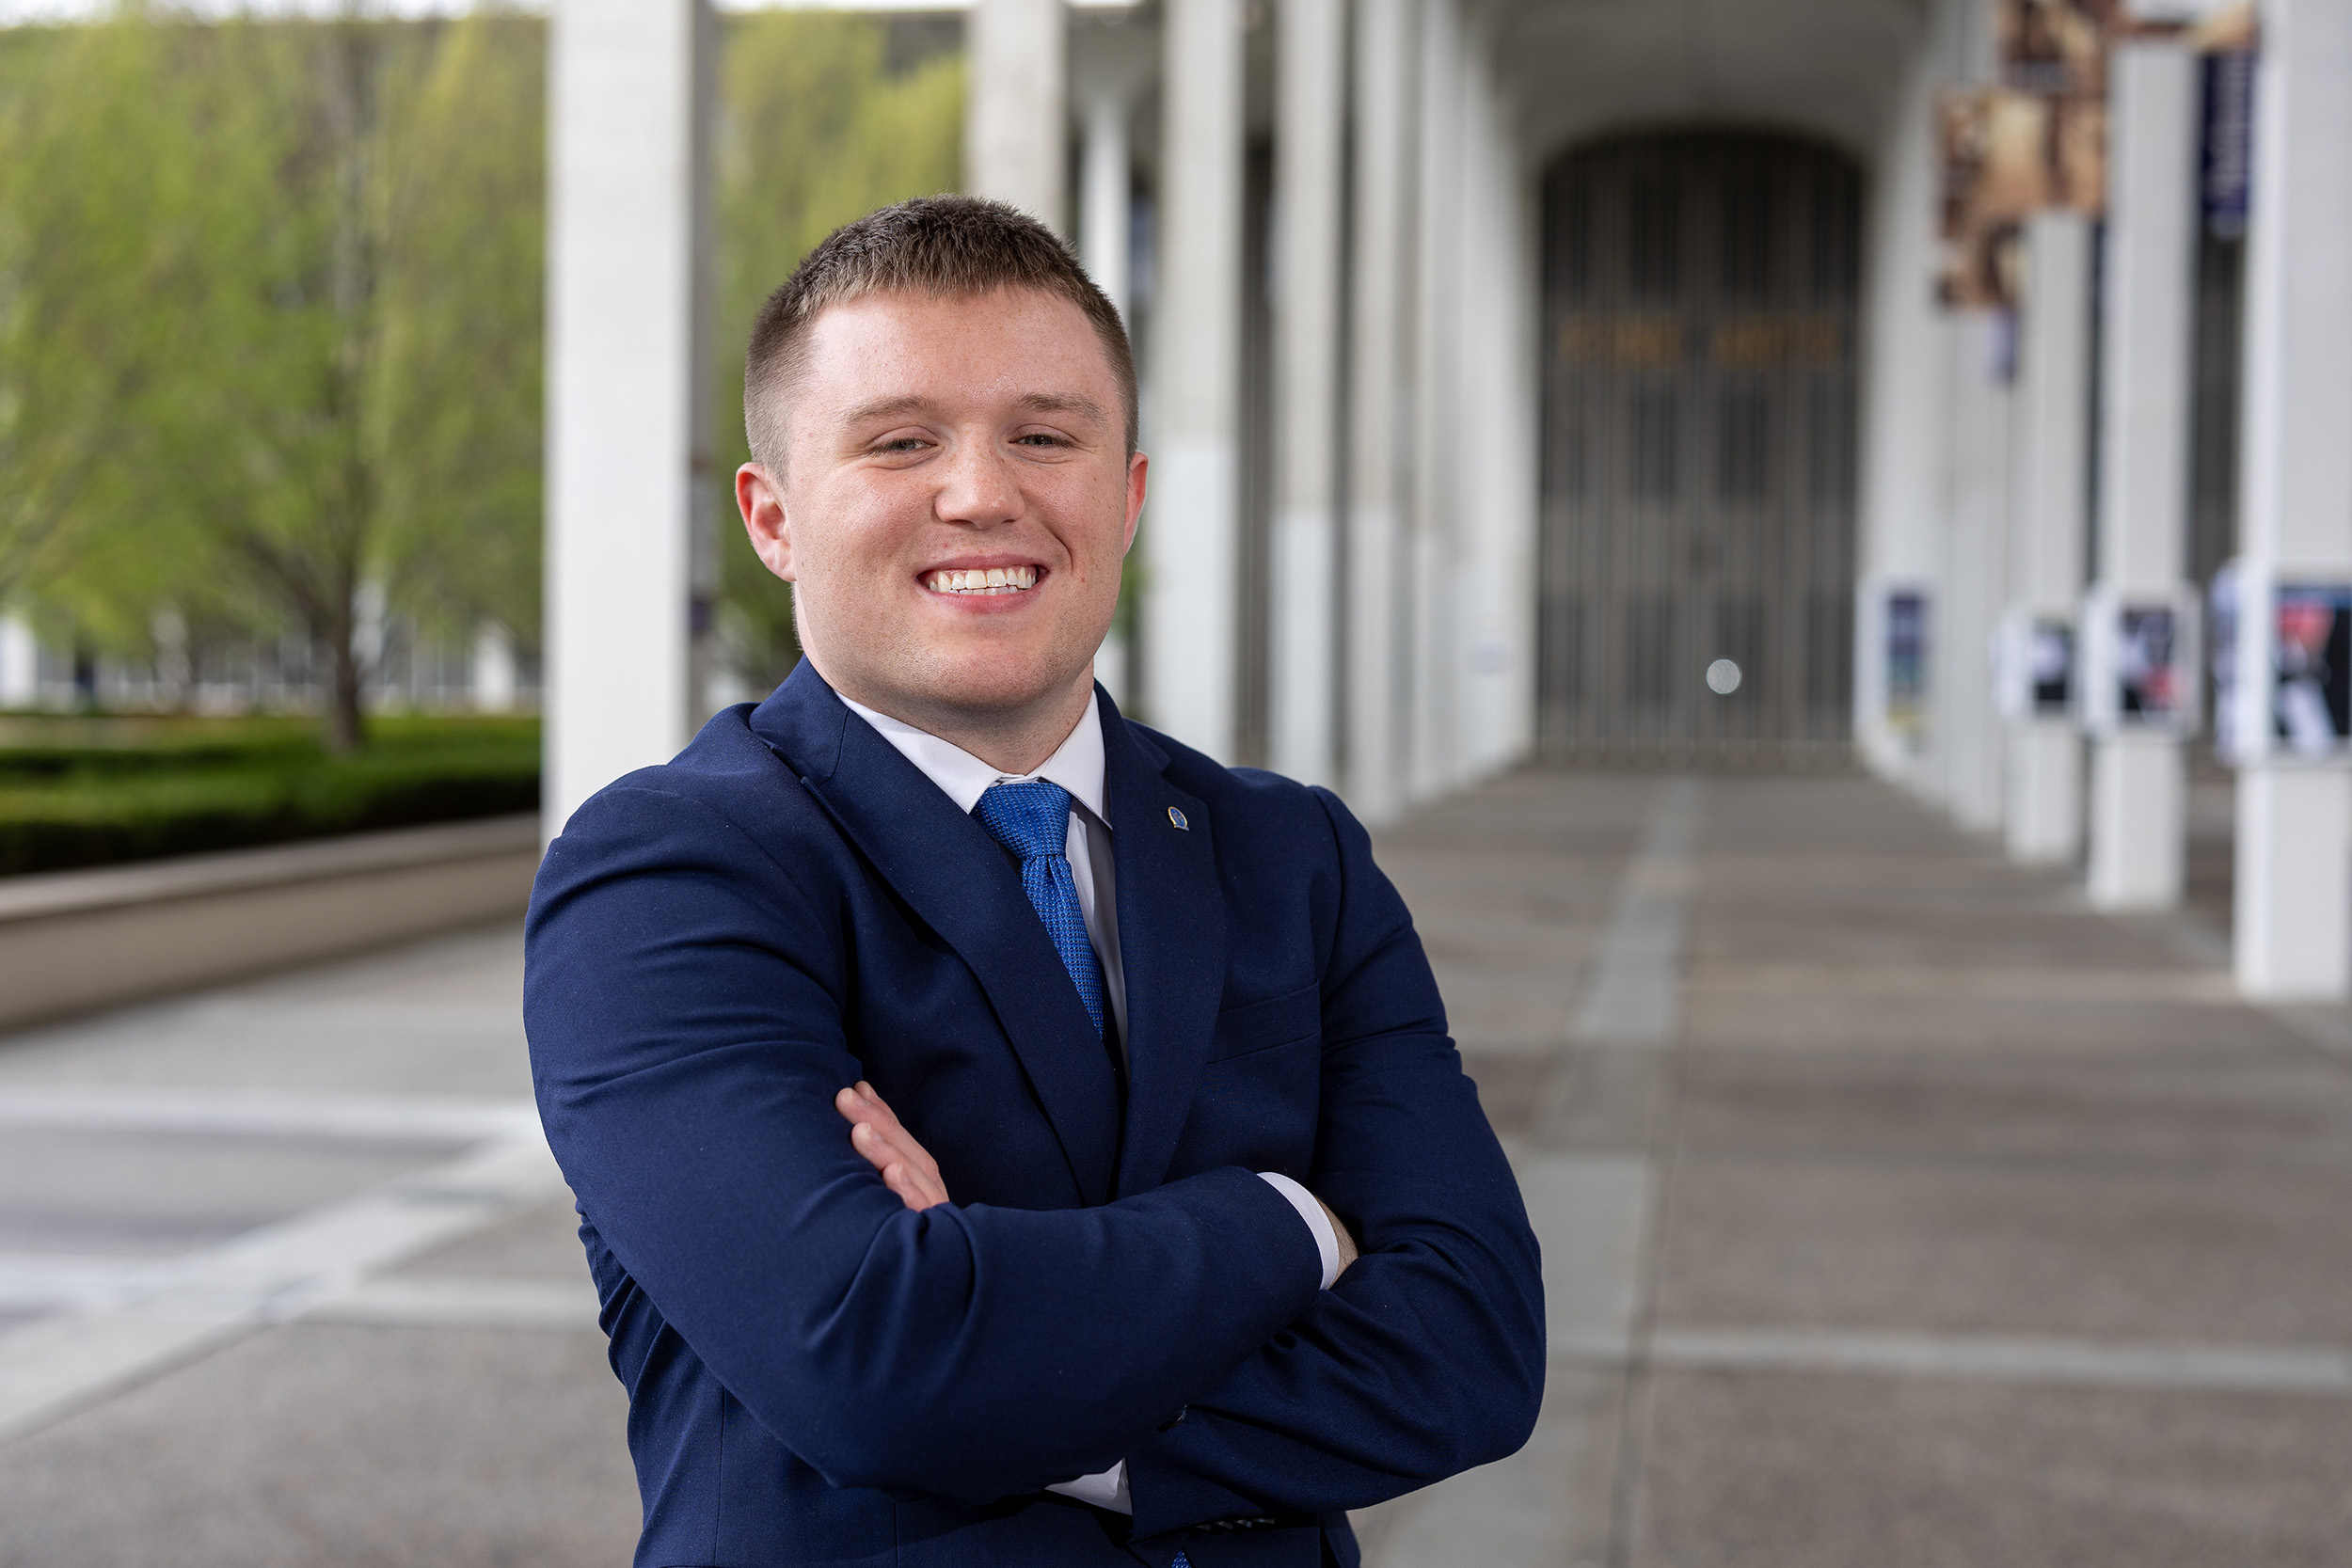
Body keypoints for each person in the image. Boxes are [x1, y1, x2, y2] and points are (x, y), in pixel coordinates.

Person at [525, 196, 1543, 1568]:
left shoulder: (1294, 858)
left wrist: (1007, 1362)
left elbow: (1473, 1345)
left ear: (1124, 496)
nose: (982, 492)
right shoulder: (669, 879)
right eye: (900, 441)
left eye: (1045, 436)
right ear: (772, 519)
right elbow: (873, 1359)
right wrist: (1290, 1220)